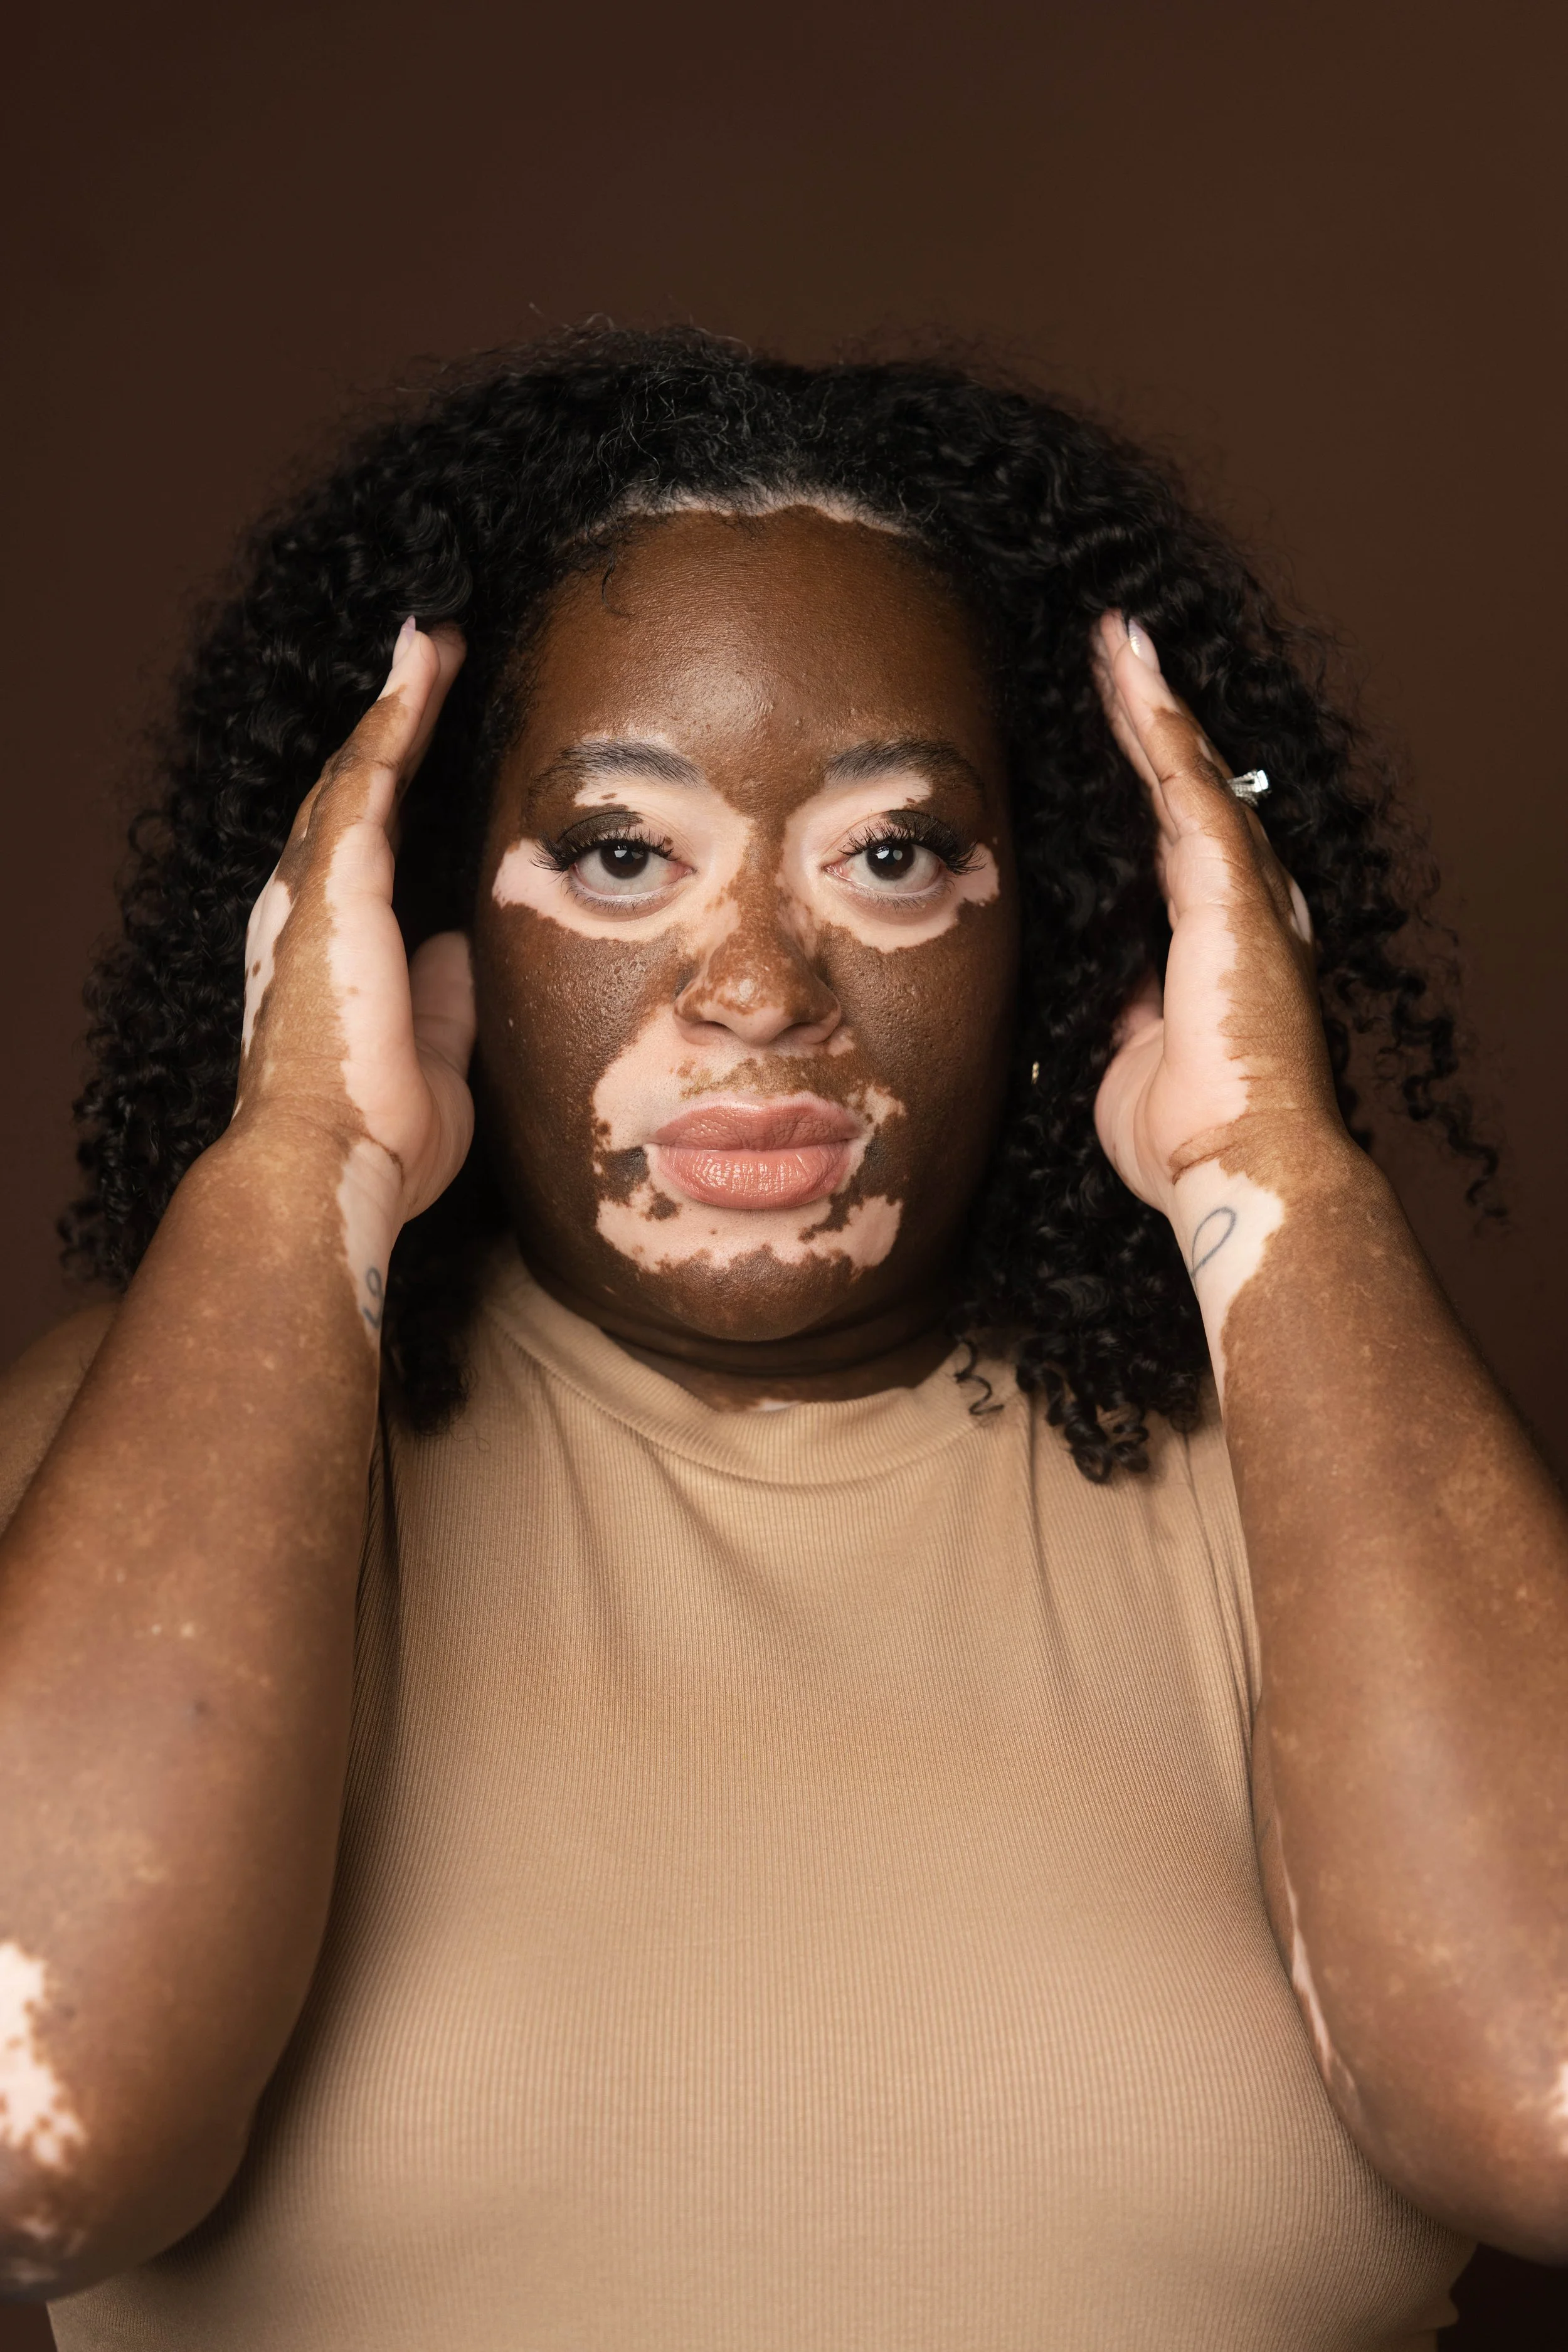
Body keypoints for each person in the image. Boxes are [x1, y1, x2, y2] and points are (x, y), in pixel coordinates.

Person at [1, 328, 1564, 2351]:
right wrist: (295, 1159)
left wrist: (1283, 1174)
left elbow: (1545, 2102)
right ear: (403, 914)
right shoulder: (147, 1434)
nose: (755, 988)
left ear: (1072, 913)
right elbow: (40, 2138)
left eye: (890, 854)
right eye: (620, 854)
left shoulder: (1319, 1458)